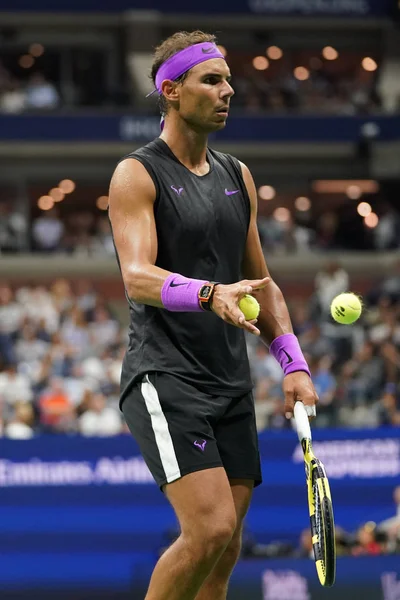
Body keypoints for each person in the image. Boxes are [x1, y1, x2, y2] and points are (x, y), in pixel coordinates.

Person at [108, 30, 318, 600]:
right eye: (213, 80)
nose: (229, 90)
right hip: (166, 376)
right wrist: (208, 293)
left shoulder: (237, 175)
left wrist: (292, 363)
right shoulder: (137, 174)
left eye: (228, 80)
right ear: (171, 90)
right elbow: (137, 276)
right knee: (209, 530)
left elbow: (264, 281)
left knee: (223, 553)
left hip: (230, 379)